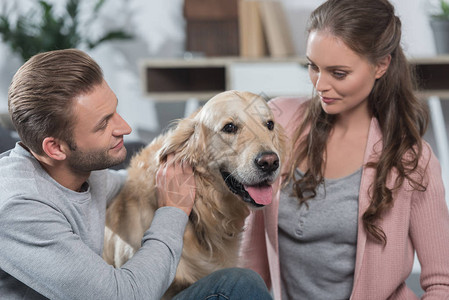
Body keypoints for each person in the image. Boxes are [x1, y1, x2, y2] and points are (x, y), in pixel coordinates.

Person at [0, 49, 272, 300]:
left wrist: (178, 159)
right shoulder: (18, 208)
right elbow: (122, 296)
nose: (125, 127)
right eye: (103, 124)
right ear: (56, 148)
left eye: (114, 111)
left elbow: (131, 182)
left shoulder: (81, 173)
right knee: (239, 286)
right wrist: (174, 211)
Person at [240, 0, 449, 299]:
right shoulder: (278, 122)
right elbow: (249, 260)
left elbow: (442, 284)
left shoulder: (410, 158)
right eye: (313, 67)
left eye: (338, 73)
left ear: (381, 65)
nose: (320, 85)